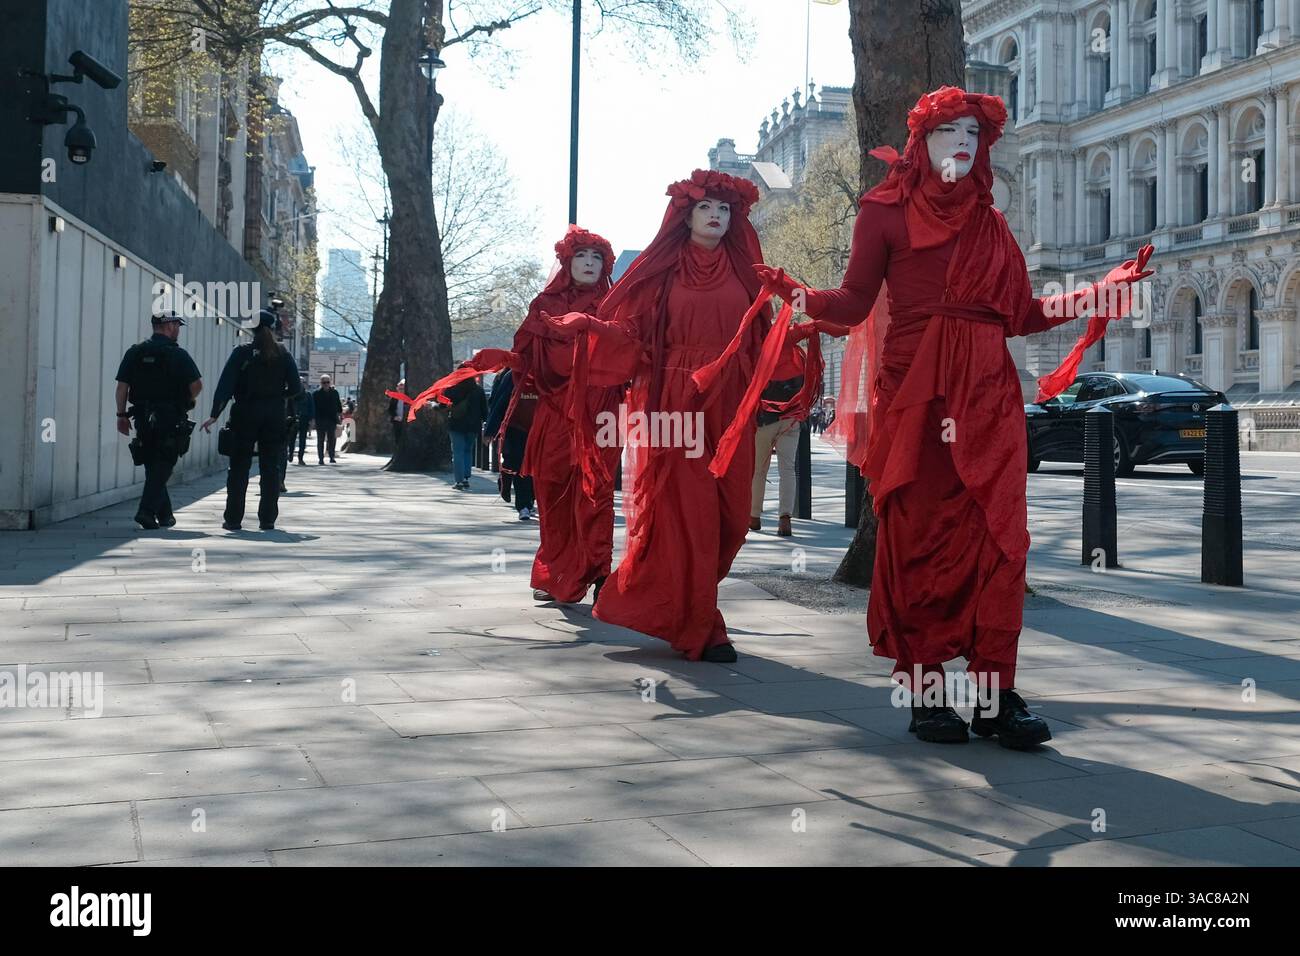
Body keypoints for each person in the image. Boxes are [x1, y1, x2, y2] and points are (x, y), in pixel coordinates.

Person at [756, 86, 1153, 747]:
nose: (963, 141)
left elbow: (1020, 315)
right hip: (917, 398)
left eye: (974, 131)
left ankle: (996, 697)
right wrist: (800, 296)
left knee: (998, 546)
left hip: (989, 401)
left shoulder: (991, 222)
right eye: (948, 131)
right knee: (920, 544)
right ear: (922, 142)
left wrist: (1094, 292)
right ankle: (928, 692)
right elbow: (854, 303)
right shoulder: (883, 212)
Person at [545, 172, 772, 663]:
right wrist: (591, 325)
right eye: (706, 207)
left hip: (730, 401)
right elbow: (632, 331)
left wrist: (800, 334)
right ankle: (703, 625)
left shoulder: (744, 269)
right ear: (685, 215)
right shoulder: (663, 271)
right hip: (675, 402)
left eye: (725, 209)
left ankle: (670, 599)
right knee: (691, 512)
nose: (717, 216)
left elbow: (761, 333)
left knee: (733, 515)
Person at [201, 309, 302, 531]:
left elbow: (225, 385)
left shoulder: (242, 353)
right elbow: (297, 387)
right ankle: (267, 519)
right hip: (274, 414)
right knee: (271, 466)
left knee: (238, 466)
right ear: (272, 327)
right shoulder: (283, 354)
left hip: (245, 412)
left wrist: (214, 414)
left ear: (251, 327)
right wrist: (278, 398)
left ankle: (233, 519)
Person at [113, 311, 203, 529]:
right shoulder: (178, 354)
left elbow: (122, 387)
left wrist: (121, 415)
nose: (178, 330)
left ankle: (165, 515)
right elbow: (197, 385)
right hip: (170, 416)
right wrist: (186, 400)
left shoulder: (135, 352)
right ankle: (146, 511)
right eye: (177, 326)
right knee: (165, 462)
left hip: (143, 415)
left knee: (152, 460)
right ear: (170, 326)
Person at [750, 324, 820, 537]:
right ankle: (785, 519)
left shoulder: (761, 349)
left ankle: (754, 516)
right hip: (791, 419)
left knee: (759, 469)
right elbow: (815, 326)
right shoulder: (795, 351)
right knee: (787, 470)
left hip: (764, 420)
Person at [483, 368, 535, 520]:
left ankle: (528, 501)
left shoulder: (542, 372)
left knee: (530, 466)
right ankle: (524, 504)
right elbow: (498, 403)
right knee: (519, 465)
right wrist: (490, 430)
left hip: (535, 429)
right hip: (515, 429)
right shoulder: (512, 376)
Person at [445, 373, 487, 490]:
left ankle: (459, 480)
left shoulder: (452, 389)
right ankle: (466, 477)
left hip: (456, 425)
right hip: (473, 426)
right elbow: (484, 409)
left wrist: (434, 406)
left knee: (458, 452)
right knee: (468, 451)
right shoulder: (478, 390)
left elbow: (444, 404)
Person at [313, 374, 343, 464]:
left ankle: (331, 456)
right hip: (320, 419)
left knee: (332, 439)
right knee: (320, 440)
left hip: (331, 419)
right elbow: (314, 407)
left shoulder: (335, 393)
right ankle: (321, 458)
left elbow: (338, 405)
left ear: (330, 382)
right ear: (321, 383)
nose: (326, 384)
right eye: (324, 382)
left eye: (327, 382)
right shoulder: (316, 393)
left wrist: (339, 415)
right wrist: (313, 420)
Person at [292, 377, 313, 464]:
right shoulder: (292, 393)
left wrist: (311, 420)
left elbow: (311, 407)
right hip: (293, 418)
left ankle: (300, 457)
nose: (301, 383)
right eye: (299, 382)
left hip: (304, 418)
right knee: (291, 438)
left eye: (303, 382)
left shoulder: (308, 394)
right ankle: (290, 453)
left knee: (302, 439)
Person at [387, 379, 407, 449]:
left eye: (402, 389)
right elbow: (390, 409)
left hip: (406, 421)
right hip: (397, 421)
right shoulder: (394, 398)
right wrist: (394, 416)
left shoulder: (407, 398)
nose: (401, 390)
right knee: (397, 437)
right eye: (399, 389)